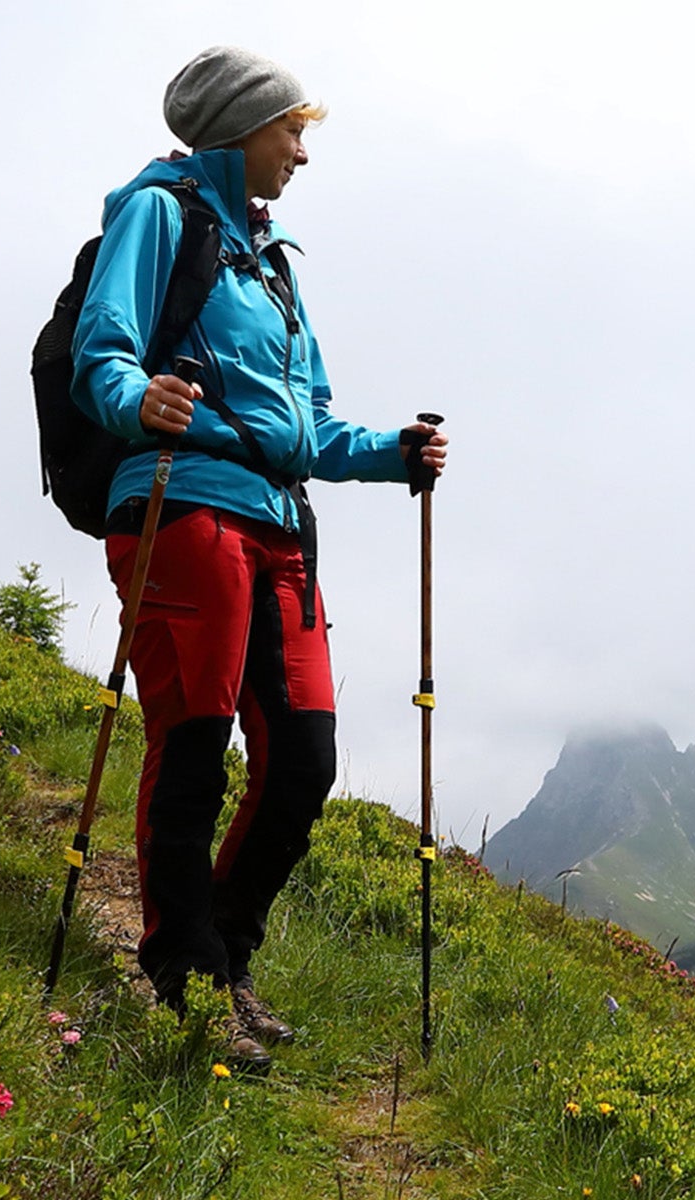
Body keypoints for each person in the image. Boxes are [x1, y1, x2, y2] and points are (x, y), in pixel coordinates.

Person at [70, 45, 447, 1067]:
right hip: (180, 502)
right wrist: (134, 398)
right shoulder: (159, 213)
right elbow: (98, 352)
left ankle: (225, 953)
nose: (301, 152)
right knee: (191, 748)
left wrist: (393, 455)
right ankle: (185, 976)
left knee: (302, 764)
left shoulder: (273, 266)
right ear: (242, 130)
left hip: (281, 529)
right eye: (293, 130)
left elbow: (309, 428)